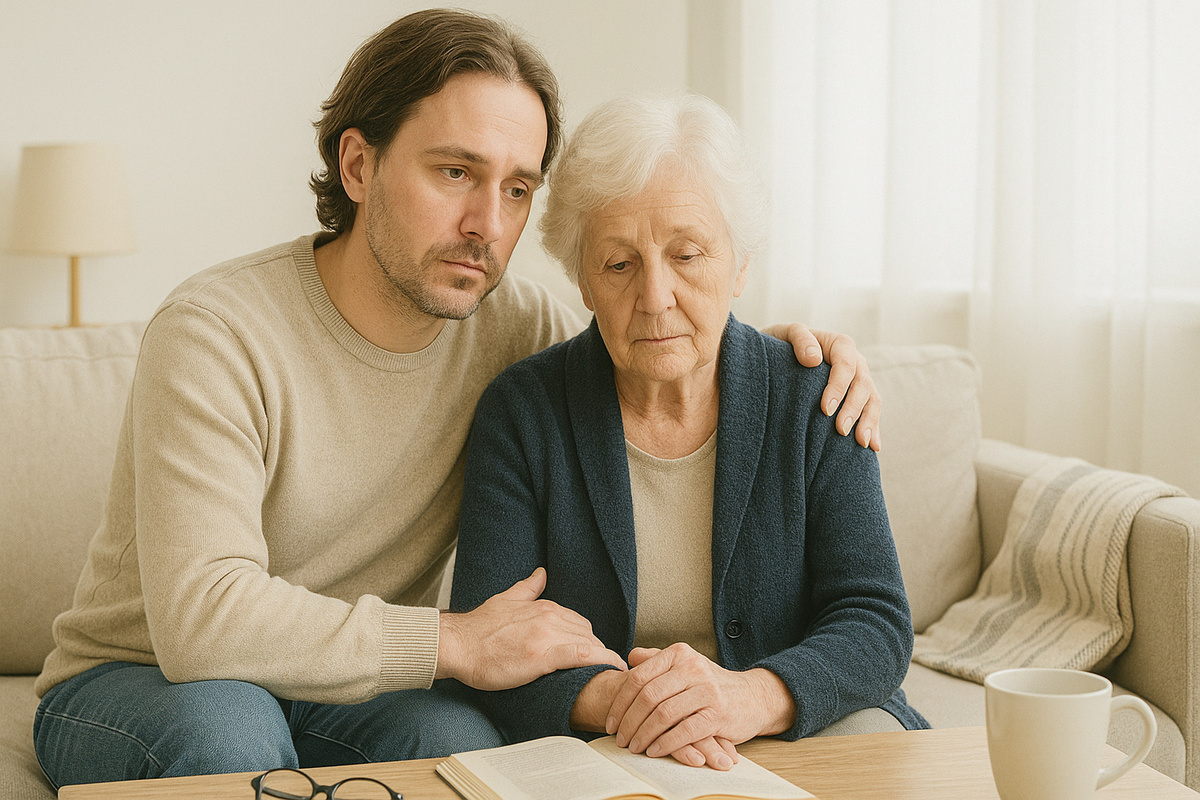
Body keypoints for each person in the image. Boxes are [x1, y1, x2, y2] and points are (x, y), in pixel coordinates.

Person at [32, 9, 882, 788]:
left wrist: (795, 353)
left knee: (473, 750)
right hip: (150, 675)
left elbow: (647, 319)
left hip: (356, 688)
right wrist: (456, 641)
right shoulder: (215, 331)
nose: (487, 222)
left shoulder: (509, 324)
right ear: (358, 164)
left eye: (516, 189)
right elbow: (201, 620)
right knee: (232, 738)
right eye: (455, 172)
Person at [450, 92, 927, 772]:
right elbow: (490, 639)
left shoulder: (816, 395)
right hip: (604, 739)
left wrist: (749, 697)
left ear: (739, 266)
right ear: (582, 280)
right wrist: (636, 702)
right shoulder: (523, 413)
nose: (655, 296)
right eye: (619, 264)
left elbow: (876, 622)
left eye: (688, 255)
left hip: (789, 726)